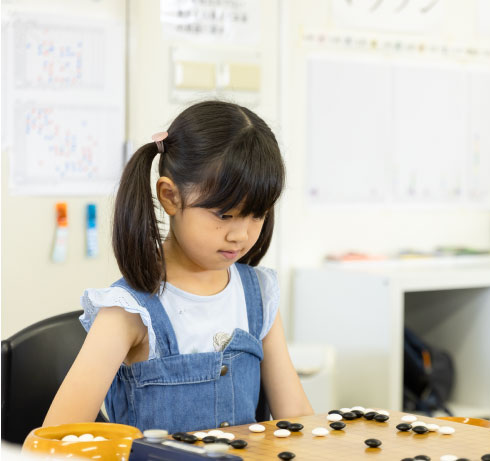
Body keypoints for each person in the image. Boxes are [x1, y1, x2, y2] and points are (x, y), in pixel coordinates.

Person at [43, 100, 314, 433]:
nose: (241, 234)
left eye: (257, 214)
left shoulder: (258, 294)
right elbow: (58, 436)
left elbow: (296, 415)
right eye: (225, 215)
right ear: (170, 197)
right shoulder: (129, 310)